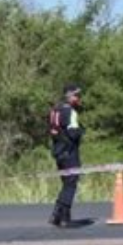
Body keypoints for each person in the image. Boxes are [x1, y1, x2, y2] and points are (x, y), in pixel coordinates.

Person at [48, 84, 84, 228]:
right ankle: (61, 216)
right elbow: (73, 133)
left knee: (66, 183)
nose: (78, 98)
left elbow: (53, 130)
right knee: (71, 183)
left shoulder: (54, 110)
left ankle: (59, 215)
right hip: (69, 152)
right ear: (69, 96)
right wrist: (81, 131)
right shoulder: (71, 112)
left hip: (58, 151)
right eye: (76, 95)